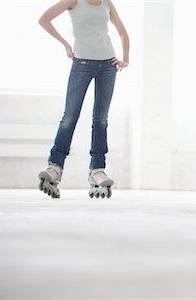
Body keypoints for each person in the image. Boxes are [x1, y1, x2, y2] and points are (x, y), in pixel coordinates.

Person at [37, 0, 129, 198]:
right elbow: (44, 20)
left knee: (101, 119)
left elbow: (122, 31)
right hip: (82, 63)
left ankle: (97, 169)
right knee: (70, 116)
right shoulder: (74, 1)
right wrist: (66, 45)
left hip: (108, 66)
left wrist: (125, 59)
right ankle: (55, 166)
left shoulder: (107, 2)